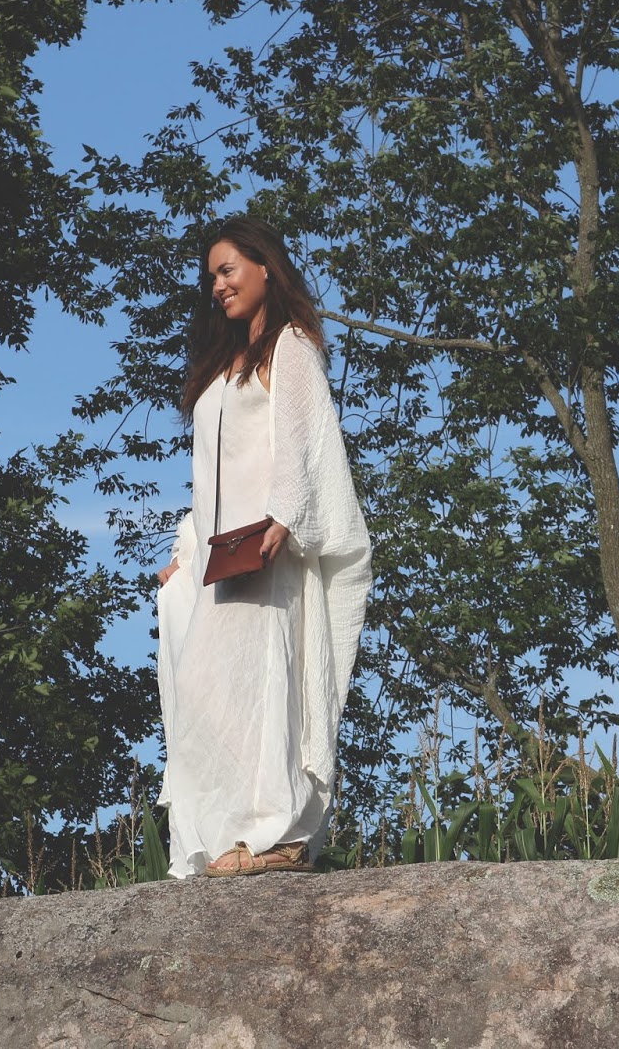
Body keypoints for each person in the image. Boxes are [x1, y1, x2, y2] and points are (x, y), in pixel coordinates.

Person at [154, 215, 372, 879]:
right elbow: (210, 476)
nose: (217, 286)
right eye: (210, 277)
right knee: (205, 691)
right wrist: (187, 550)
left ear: (265, 268)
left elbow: (301, 438)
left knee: (267, 684)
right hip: (223, 555)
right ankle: (226, 831)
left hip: (269, 548)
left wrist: (285, 514)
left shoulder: (292, 347)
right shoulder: (221, 368)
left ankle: (277, 837)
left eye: (228, 270)